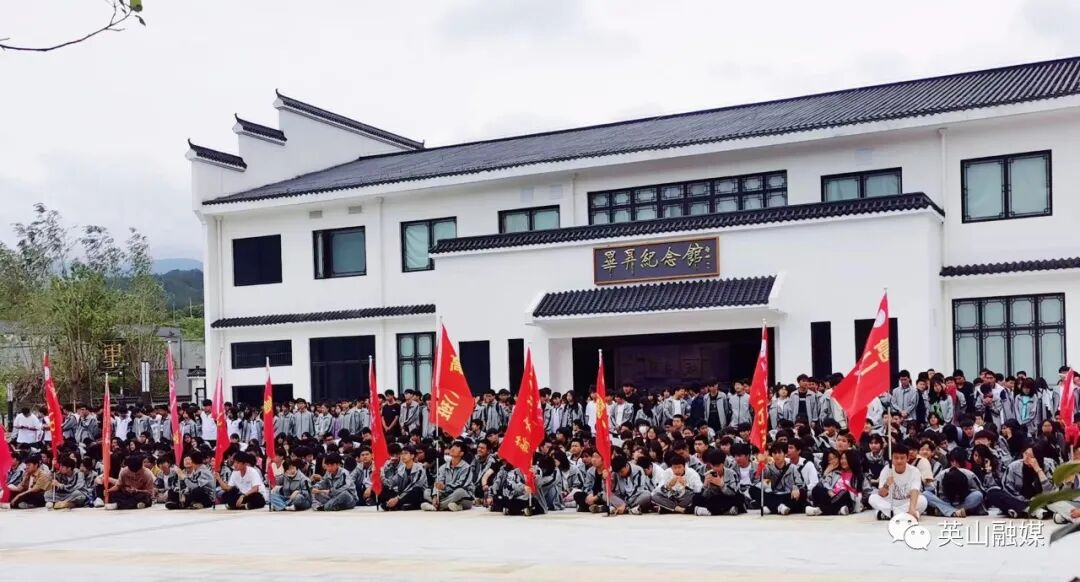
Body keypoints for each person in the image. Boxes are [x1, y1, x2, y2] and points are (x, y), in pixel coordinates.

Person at [868, 444, 926, 520]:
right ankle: (905, 515)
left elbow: (915, 491)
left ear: (907, 458)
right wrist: (886, 485)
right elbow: (882, 494)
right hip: (890, 502)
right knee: (872, 498)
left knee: (923, 500)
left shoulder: (914, 471)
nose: (899, 461)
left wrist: (912, 509)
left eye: (902, 458)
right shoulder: (887, 470)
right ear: (892, 458)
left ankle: (888, 514)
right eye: (896, 458)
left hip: (907, 502)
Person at [923, 448, 983, 517]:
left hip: (963, 500)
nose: (954, 464)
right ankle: (954, 511)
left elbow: (981, 491)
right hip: (946, 500)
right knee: (925, 494)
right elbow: (938, 495)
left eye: (957, 462)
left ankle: (947, 511)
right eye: (952, 461)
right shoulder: (941, 476)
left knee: (978, 495)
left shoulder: (970, 475)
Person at [806, 449, 860, 516]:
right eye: (842, 459)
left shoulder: (858, 475)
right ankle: (838, 511)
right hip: (831, 497)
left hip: (846, 499)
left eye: (845, 459)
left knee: (844, 492)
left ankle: (820, 510)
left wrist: (860, 503)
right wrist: (825, 474)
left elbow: (866, 493)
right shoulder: (834, 473)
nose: (843, 461)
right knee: (816, 489)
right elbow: (822, 484)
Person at [423, 441, 474, 511]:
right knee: (427, 492)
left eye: (456, 447)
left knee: (460, 492)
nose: (452, 448)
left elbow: (462, 484)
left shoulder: (466, 467)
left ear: (461, 453)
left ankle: (437, 506)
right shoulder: (443, 467)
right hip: (446, 494)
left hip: (463, 497)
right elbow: (438, 483)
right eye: (452, 446)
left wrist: (444, 487)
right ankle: (453, 506)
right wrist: (435, 496)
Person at [693, 448, 743, 516]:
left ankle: (709, 511)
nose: (715, 468)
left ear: (723, 463)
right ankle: (725, 511)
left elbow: (734, 493)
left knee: (740, 498)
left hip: (726, 498)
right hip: (713, 500)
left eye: (718, 466)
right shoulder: (707, 474)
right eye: (713, 466)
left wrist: (722, 486)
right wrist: (705, 486)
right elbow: (704, 496)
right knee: (696, 498)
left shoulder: (731, 473)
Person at [378, 445, 426, 511]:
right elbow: (390, 483)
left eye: (406, 453)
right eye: (402, 454)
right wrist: (381, 472)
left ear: (412, 456)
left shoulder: (419, 468)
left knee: (416, 490)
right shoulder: (401, 469)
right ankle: (400, 505)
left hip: (415, 494)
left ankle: (396, 505)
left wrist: (397, 498)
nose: (403, 456)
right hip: (402, 495)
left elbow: (413, 485)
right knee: (383, 490)